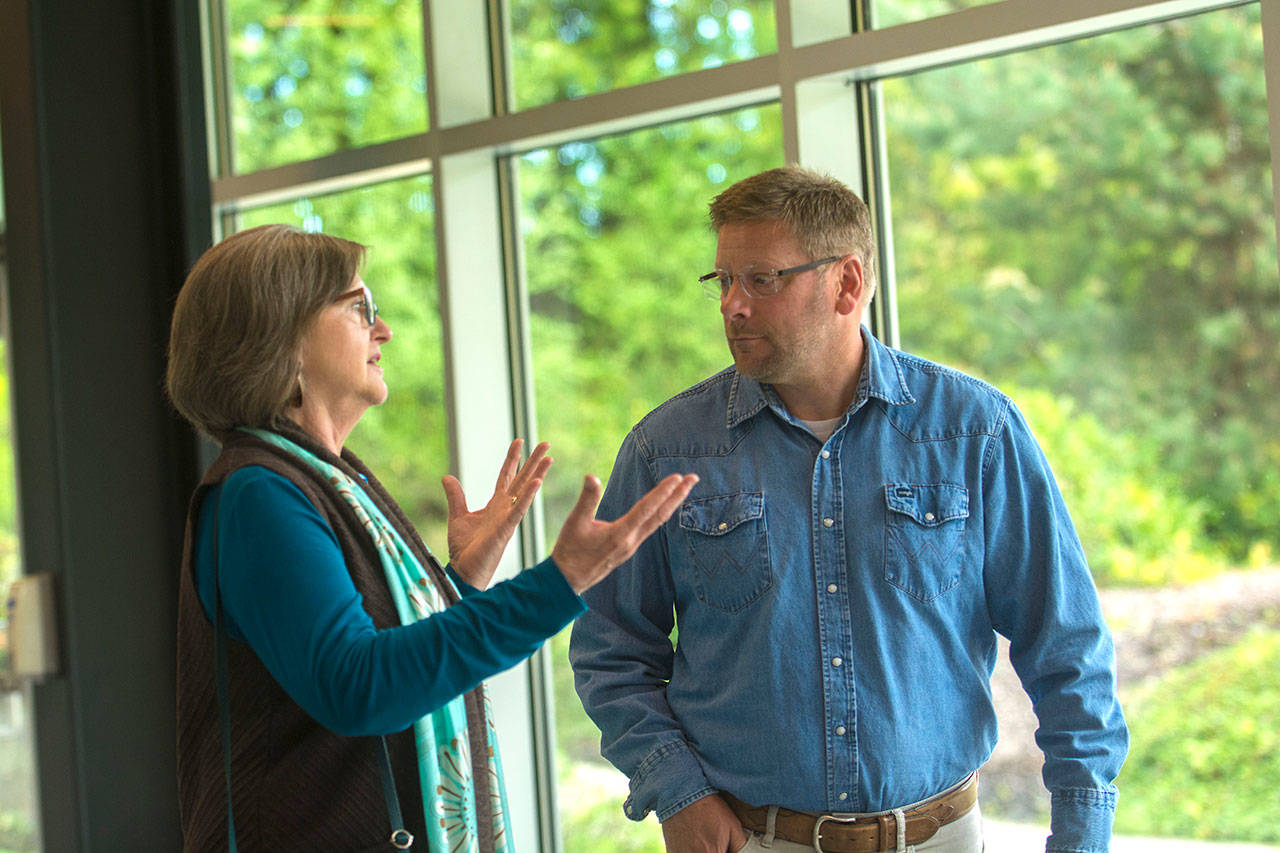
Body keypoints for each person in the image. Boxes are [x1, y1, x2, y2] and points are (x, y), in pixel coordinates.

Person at [568, 166, 1127, 853]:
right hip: (749, 841)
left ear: (849, 283)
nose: (732, 305)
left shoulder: (974, 433)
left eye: (762, 279)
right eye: (724, 280)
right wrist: (676, 790)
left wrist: (1082, 833)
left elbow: (1066, 643)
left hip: (942, 837)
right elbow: (611, 650)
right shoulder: (667, 450)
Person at [167, 223, 697, 852]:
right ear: (282, 336)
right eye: (359, 308)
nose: (383, 330)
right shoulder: (259, 495)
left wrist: (462, 582)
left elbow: (384, 665)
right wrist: (558, 584)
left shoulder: (328, 477)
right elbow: (359, 688)